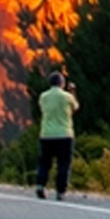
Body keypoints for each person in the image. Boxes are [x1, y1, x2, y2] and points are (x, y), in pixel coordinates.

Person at [36, 71, 79, 201]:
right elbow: (75, 107)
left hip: (46, 134)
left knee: (44, 162)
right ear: (62, 83)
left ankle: (40, 185)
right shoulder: (67, 97)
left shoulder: (43, 96)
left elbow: (42, 109)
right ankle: (60, 191)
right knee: (63, 164)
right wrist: (72, 92)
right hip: (64, 134)